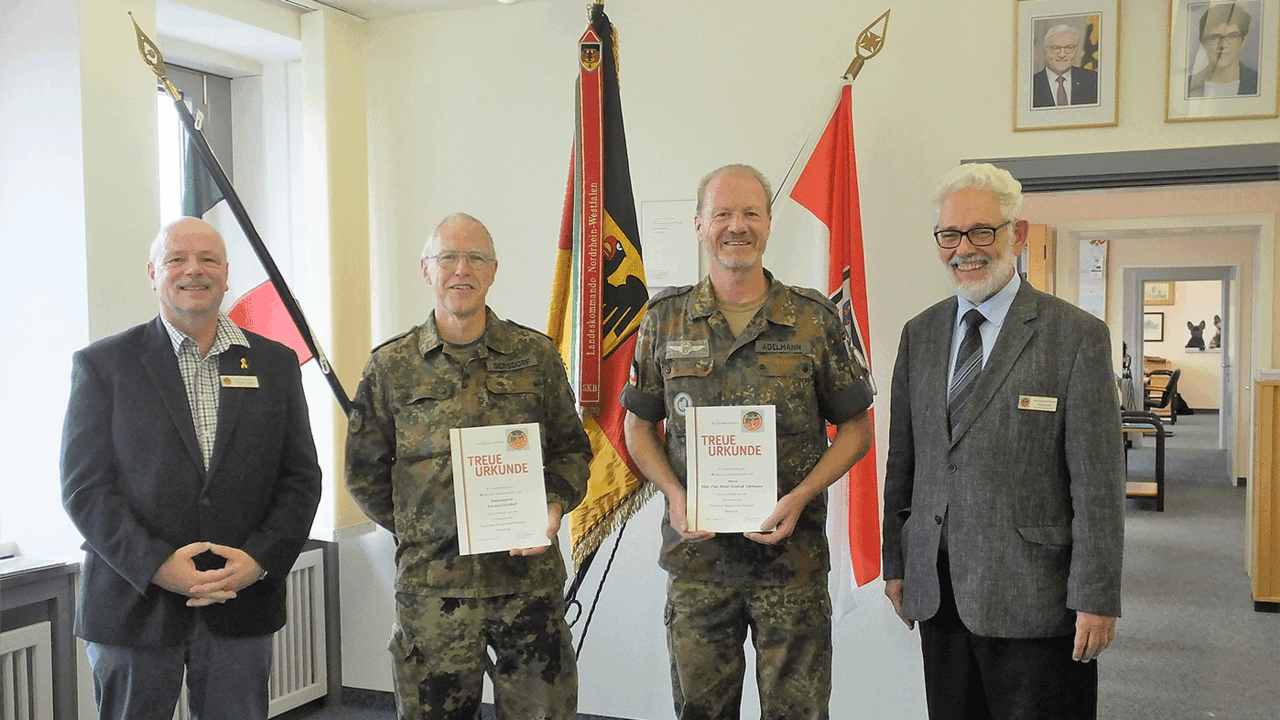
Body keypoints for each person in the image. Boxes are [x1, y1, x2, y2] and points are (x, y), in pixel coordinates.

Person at [621, 164, 874, 720]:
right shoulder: (664, 319)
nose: (737, 226)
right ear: (699, 225)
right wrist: (673, 493)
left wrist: (802, 495)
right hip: (698, 565)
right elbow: (637, 427)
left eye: (751, 213)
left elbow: (857, 428)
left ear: (768, 223)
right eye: (722, 214)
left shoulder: (814, 319)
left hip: (792, 563)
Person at [882, 163, 1124, 720]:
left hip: (1036, 599)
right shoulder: (920, 334)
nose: (964, 249)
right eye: (949, 234)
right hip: (939, 593)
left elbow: (1098, 485)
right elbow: (905, 462)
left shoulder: (1076, 336)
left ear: (1017, 234)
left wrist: (1096, 595)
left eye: (981, 231)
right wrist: (897, 561)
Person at [60, 217, 322, 720]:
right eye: (176, 259)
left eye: (208, 260)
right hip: (133, 605)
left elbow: (300, 480)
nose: (193, 270)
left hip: (240, 603)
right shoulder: (103, 365)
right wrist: (158, 566)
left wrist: (259, 561)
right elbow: (84, 489)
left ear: (226, 274)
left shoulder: (274, 364)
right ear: (153, 273)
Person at [345, 213, 590, 720]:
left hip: (526, 587)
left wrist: (551, 507)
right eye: (448, 258)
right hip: (434, 591)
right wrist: (423, 526)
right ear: (426, 269)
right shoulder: (391, 367)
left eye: (476, 258)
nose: (462, 269)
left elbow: (572, 451)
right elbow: (364, 472)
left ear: (493, 270)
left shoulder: (535, 356)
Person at [1188, 3, 1257, 97]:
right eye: (1214, 37)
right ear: (1203, 42)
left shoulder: (1258, 82)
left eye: (1232, 36)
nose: (1223, 45)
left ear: (1243, 40)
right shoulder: (1186, 86)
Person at [1031, 24, 1099, 108]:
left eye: (1069, 47)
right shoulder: (1031, 85)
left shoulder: (1094, 80)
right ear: (1045, 51)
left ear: (1076, 51)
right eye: (1055, 48)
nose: (1062, 55)